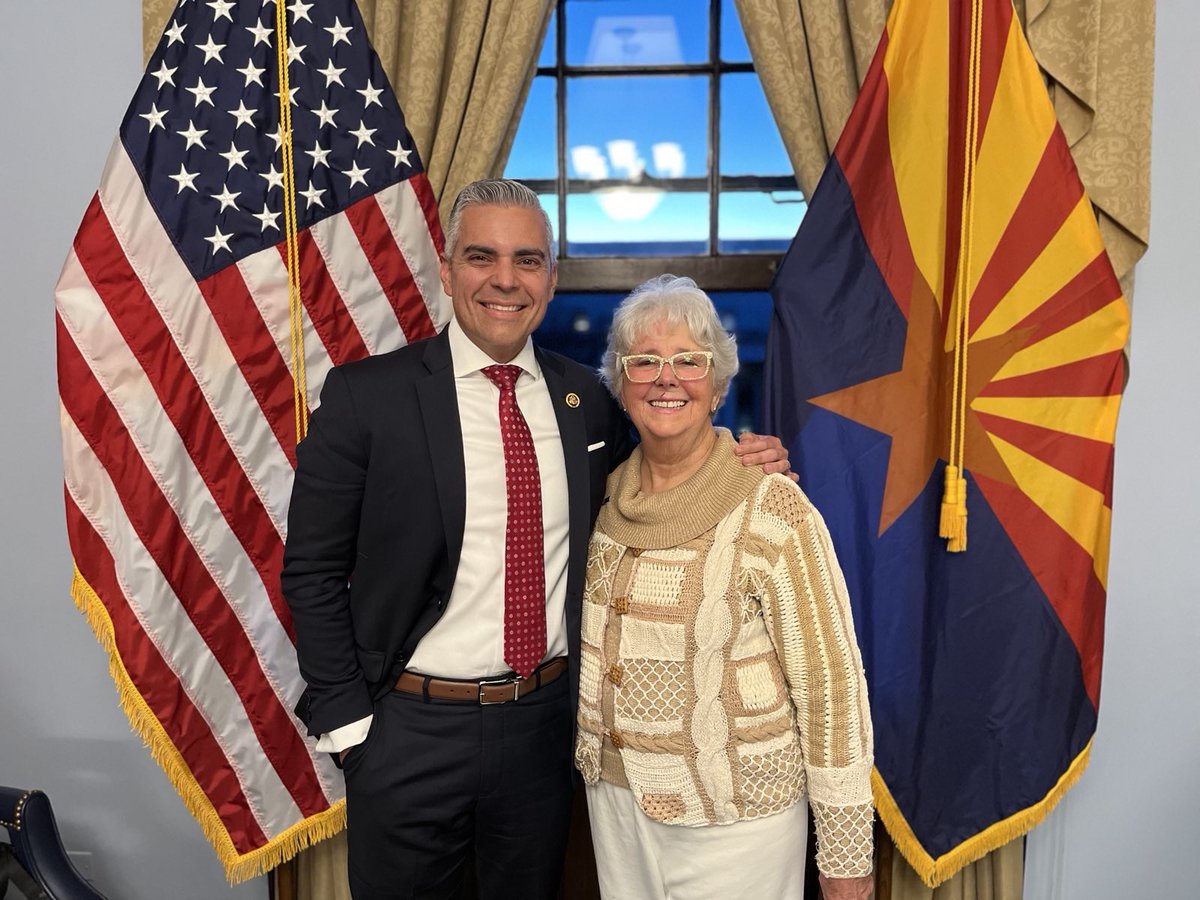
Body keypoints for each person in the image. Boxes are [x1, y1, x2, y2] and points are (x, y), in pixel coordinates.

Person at [280, 180, 791, 900]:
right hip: (407, 733)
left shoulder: (586, 400)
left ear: (550, 278)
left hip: (541, 733)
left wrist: (740, 455)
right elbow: (312, 570)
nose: (505, 279)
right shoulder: (370, 397)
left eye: (528, 260)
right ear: (448, 266)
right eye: (483, 256)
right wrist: (351, 729)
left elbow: (664, 468)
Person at [575, 275, 875, 900]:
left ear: (717, 387)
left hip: (739, 824)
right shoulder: (598, 500)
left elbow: (832, 690)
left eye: (690, 361)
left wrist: (847, 860)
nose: (667, 377)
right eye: (645, 361)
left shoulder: (773, 508)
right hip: (615, 811)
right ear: (620, 383)